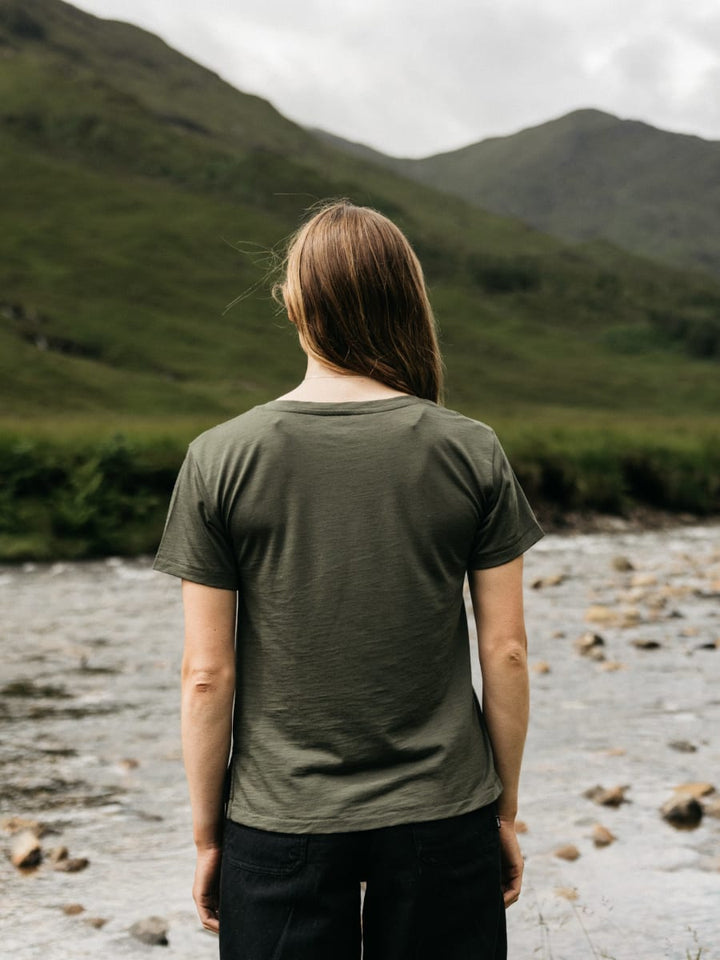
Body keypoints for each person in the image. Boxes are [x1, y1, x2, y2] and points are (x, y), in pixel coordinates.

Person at [153, 200, 543, 960]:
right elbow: (506, 653)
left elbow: (206, 674)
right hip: (444, 815)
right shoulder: (471, 450)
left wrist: (208, 836)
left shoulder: (219, 456)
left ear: (294, 303)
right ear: (407, 301)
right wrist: (503, 811)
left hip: (277, 821)